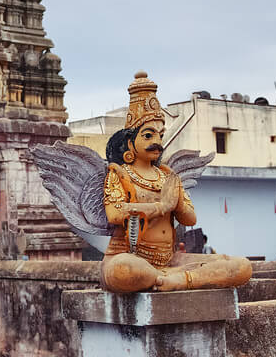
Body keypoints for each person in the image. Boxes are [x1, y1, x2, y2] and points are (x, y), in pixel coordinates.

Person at [100, 72, 252, 292]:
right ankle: (164, 277)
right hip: (129, 258)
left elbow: (189, 219)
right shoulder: (120, 173)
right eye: (148, 135)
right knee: (124, 270)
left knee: (241, 266)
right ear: (130, 143)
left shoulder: (168, 176)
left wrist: (177, 198)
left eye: (160, 135)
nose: (157, 142)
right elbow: (115, 213)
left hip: (169, 262)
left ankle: (178, 280)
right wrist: (161, 206)